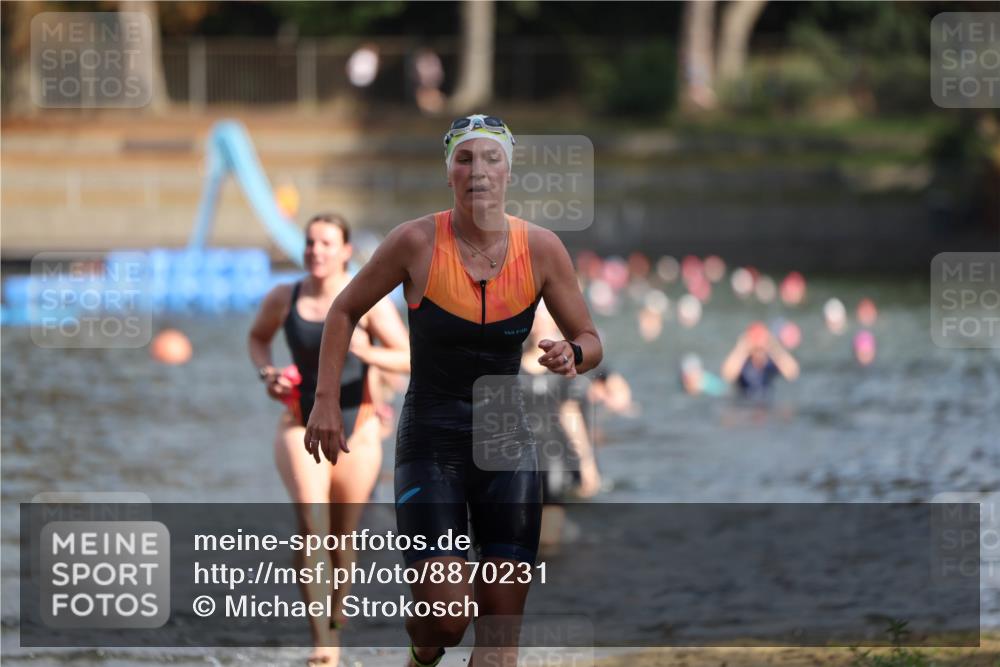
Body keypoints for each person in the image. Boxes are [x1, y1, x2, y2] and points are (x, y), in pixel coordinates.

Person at [303, 115, 602, 667]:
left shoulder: (542, 249)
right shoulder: (415, 242)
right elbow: (343, 310)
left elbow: (591, 340)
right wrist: (325, 401)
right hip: (431, 441)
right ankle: (423, 649)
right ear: (449, 173)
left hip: (507, 444)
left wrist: (573, 353)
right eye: (465, 159)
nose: (478, 171)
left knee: (499, 646)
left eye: (491, 159)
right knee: (446, 619)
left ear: (508, 171)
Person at [247, 212, 410, 666]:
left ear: (345, 251)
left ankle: (336, 616)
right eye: (310, 243)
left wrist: (365, 349)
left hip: (358, 427)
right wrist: (268, 373)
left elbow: (407, 356)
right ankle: (323, 641)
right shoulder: (285, 296)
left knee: (342, 537)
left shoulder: (368, 299)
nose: (315, 251)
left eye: (325, 243)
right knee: (312, 526)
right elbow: (258, 339)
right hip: (299, 423)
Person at [720, 321, 799, 400]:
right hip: (744, 401)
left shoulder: (771, 361)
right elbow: (727, 376)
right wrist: (741, 347)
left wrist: (774, 347)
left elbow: (792, 373)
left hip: (767, 400)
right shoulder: (743, 361)